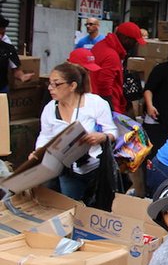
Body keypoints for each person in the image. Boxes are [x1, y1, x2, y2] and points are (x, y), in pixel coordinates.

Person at [34, 62, 118, 201]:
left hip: (96, 167)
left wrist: (102, 137)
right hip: (67, 169)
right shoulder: (49, 108)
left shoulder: (96, 103)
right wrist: (39, 152)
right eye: (49, 83)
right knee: (72, 206)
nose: (50, 88)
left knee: (99, 206)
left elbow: (112, 131)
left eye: (56, 84)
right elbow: (45, 135)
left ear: (72, 86)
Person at [91, 21, 146, 113]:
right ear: (126, 39)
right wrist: (110, 111)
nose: (135, 45)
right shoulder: (112, 55)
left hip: (97, 103)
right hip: (106, 107)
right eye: (135, 41)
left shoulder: (101, 46)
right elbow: (104, 86)